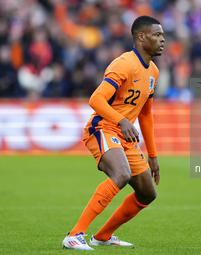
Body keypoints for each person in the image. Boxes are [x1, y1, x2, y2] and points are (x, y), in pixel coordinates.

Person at [62, 15, 165, 250]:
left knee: (148, 193)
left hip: (124, 135)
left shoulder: (153, 72)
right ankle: (75, 235)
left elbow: (146, 115)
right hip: (103, 127)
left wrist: (153, 154)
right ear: (141, 36)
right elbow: (96, 99)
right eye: (157, 34)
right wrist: (121, 121)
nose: (163, 39)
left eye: (162, 35)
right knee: (121, 174)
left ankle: (103, 236)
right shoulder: (124, 64)